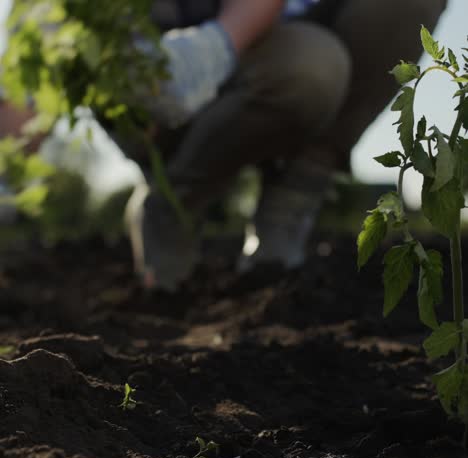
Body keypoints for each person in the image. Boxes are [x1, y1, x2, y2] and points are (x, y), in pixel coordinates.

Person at [124, 0, 448, 290]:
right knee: (311, 67)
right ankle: (174, 202)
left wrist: (215, 47)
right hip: (169, 62)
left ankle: (295, 193)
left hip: (280, 39)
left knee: (332, 55)